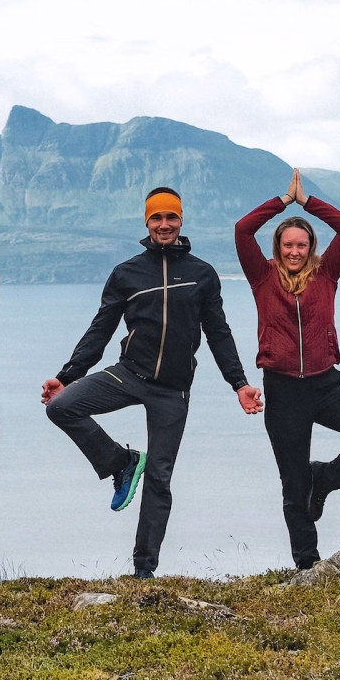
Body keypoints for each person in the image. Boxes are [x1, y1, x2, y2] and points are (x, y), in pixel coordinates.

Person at [43, 186, 262, 579]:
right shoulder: (127, 273)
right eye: (157, 217)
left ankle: (143, 571)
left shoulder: (202, 275)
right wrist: (67, 376)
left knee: (160, 478)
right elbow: (101, 329)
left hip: (172, 390)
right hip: (129, 374)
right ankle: (120, 462)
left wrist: (239, 383)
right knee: (62, 407)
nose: (164, 224)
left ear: (181, 221)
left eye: (171, 217)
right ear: (146, 222)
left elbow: (218, 333)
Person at [234, 169, 340, 570]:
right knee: (293, 486)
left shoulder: (327, 273)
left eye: (302, 244)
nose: (295, 251)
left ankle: (325, 478)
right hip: (283, 391)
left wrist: (306, 202)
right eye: (288, 244)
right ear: (278, 247)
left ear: (311, 248)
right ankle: (307, 566)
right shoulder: (261, 276)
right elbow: (242, 230)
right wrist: (281, 202)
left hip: (326, 386)